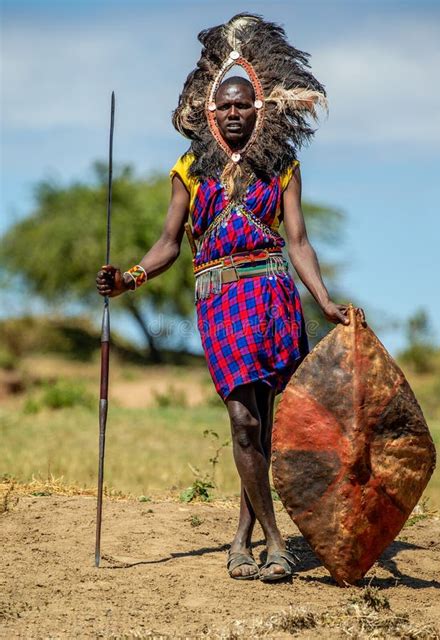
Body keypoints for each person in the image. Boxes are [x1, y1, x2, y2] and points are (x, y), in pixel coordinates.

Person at [96, 14, 364, 582]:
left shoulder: (282, 166)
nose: (235, 112)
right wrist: (130, 279)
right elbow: (169, 244)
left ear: (260, 108)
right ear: (211, 111)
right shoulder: (190, 170)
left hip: (274, 298)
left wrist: (322, 300)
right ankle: (275, 542)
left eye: (244, 104)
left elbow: (298, 242)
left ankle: (243, 539)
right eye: (226, 105)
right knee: (243, 420)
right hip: (220, 300)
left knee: (266, 424)